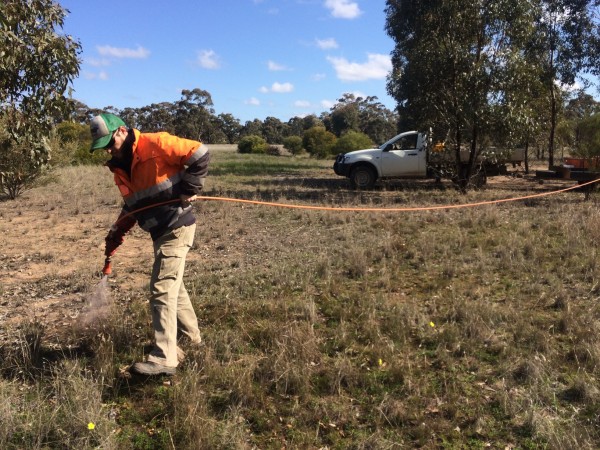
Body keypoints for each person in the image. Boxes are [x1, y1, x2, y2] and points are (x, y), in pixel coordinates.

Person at [89, 113, 210, 376]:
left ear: (121, 130)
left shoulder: (156, 143)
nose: (109, 150)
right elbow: (133, 205)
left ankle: (165, 357)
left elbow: (200, 153)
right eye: (104, 148)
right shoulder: (120, 169)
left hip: (177, 224)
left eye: (110, 143)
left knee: (162, 288)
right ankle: (192, 339)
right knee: (174, 288)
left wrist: (189, 188)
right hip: (158, 232)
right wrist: (118, 230)